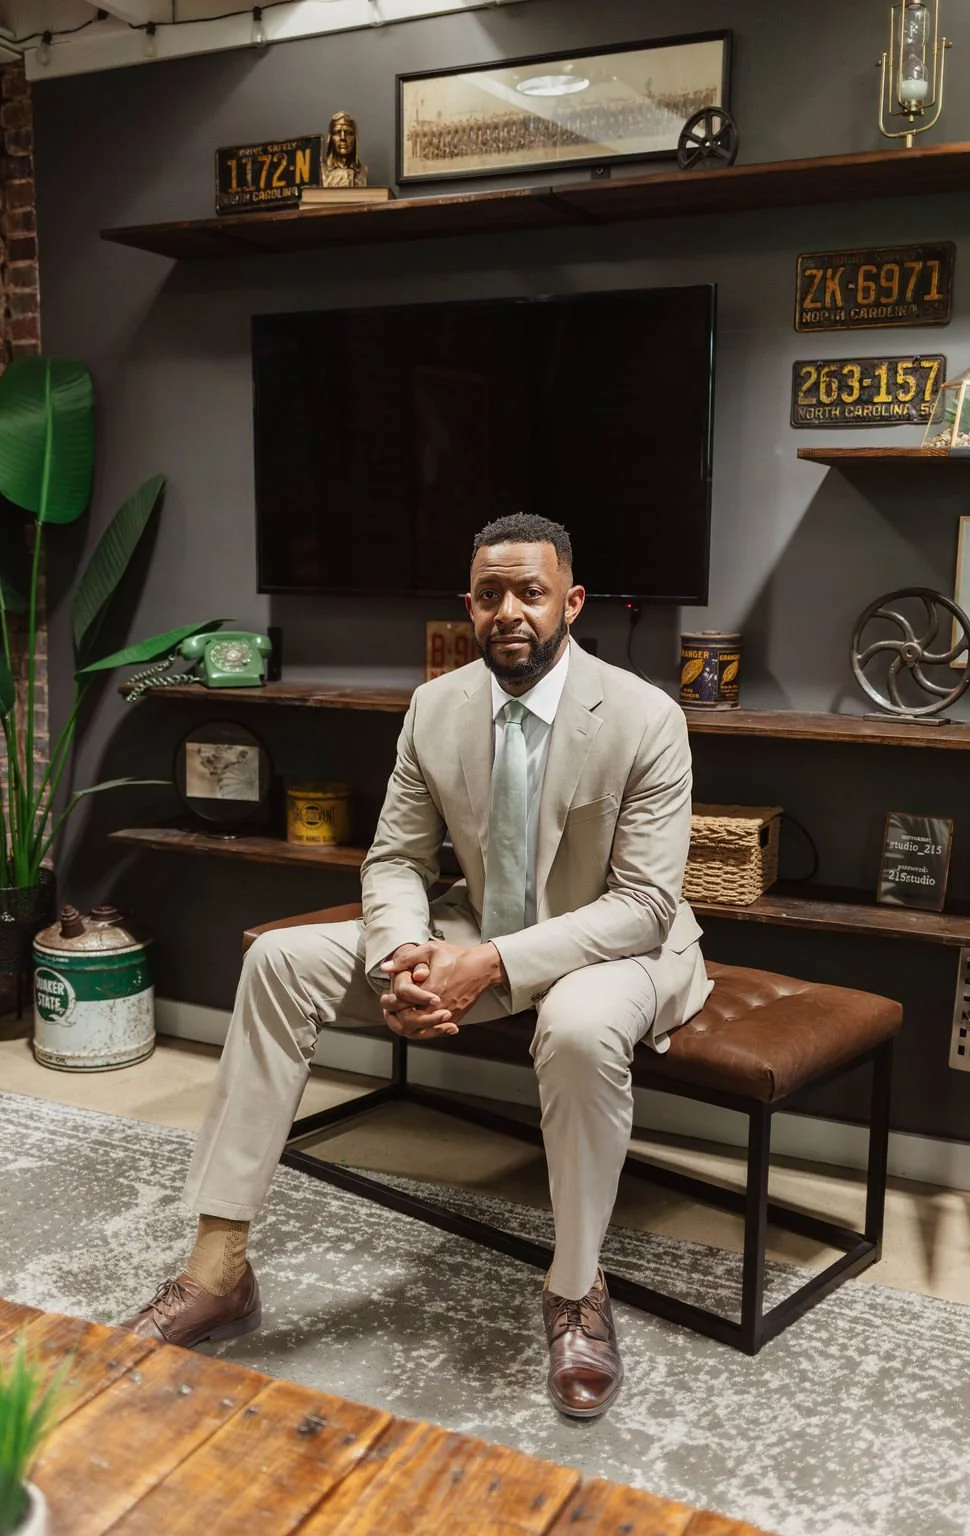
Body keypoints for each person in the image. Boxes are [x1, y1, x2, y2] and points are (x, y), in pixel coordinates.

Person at [121, 513, 711, 1420]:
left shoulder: (645, 716)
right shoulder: (436, 708)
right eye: (490, 594)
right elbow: (395, 860)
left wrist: (489, 963)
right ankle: (219, 1267)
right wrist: (403, 956)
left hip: (616, 945)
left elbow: (642, 904)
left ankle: (577, 1288)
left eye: (531, 592)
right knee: (277, 960)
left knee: (579, 1027)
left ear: (571, 603)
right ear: (468, 606)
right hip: (473, 929)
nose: (509, 611)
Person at [321, 111, 368, 188]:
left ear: (355, 138)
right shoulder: (321, 172)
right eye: (337, 132)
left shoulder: (362, 172)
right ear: (330, 138)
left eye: (348, 133)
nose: (343, 138)